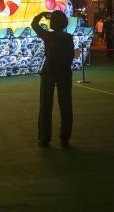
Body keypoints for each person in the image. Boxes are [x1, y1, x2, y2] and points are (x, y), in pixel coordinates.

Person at [31, 10, 74, 147]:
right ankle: (65, 138)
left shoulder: (48, 36)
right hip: (65, 73)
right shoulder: (68, 38)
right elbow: (71, 56)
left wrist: (42, 14)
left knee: (45, 106)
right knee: (66, 106)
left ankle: (44, 138)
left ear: (52, 23)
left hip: (49, 72)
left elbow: (34, 24)